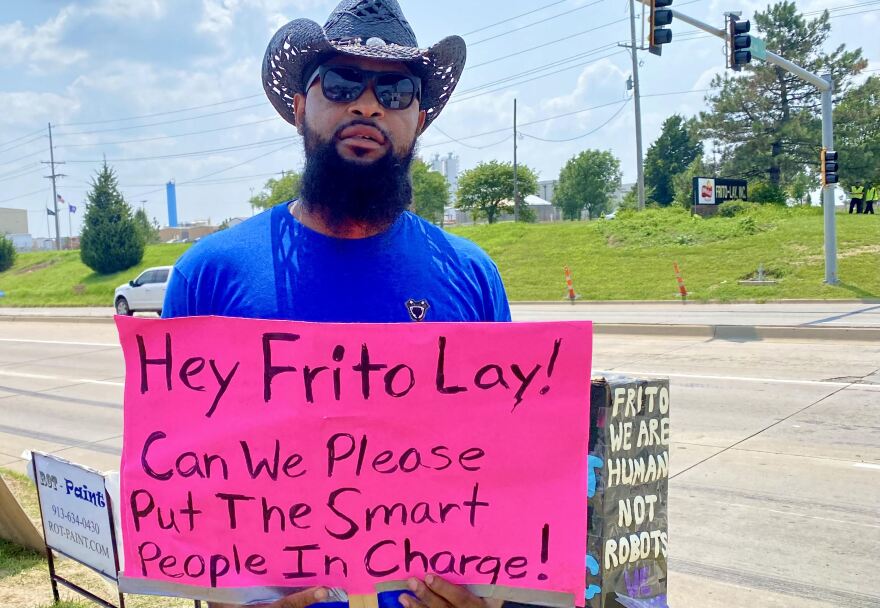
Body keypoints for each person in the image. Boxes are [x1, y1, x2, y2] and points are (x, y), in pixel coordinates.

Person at [162, 1, 511, 607]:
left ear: (420, 120)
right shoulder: (208, 276)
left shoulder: (472, 276)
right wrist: (232, 603)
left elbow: (508, 469)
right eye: (343, 83)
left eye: (396, 90)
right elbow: (181, 481)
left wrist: (490, 598)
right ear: (301, 106)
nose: (368, 105)